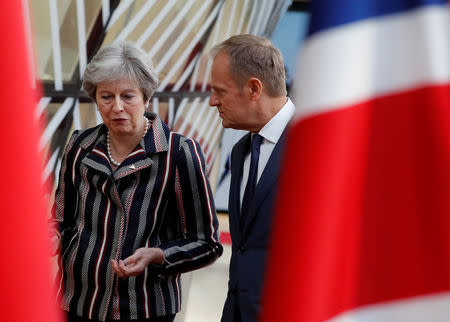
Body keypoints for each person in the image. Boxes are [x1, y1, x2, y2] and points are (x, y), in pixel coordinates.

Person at [50, 42, 223, 322]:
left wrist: (158, 255)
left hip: (145, 309)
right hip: (75, 302)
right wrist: (51, 236)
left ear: (146, 97)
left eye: (127, 96)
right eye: (106, 96)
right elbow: (61, 219)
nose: (117, 107)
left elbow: (207, 243)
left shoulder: (178, 152)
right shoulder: (79, 146)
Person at [209, 34, 295, 322]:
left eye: (220, 91)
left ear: (254, 89)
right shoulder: (240, 151)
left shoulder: (316, 148)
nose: (212, 101)